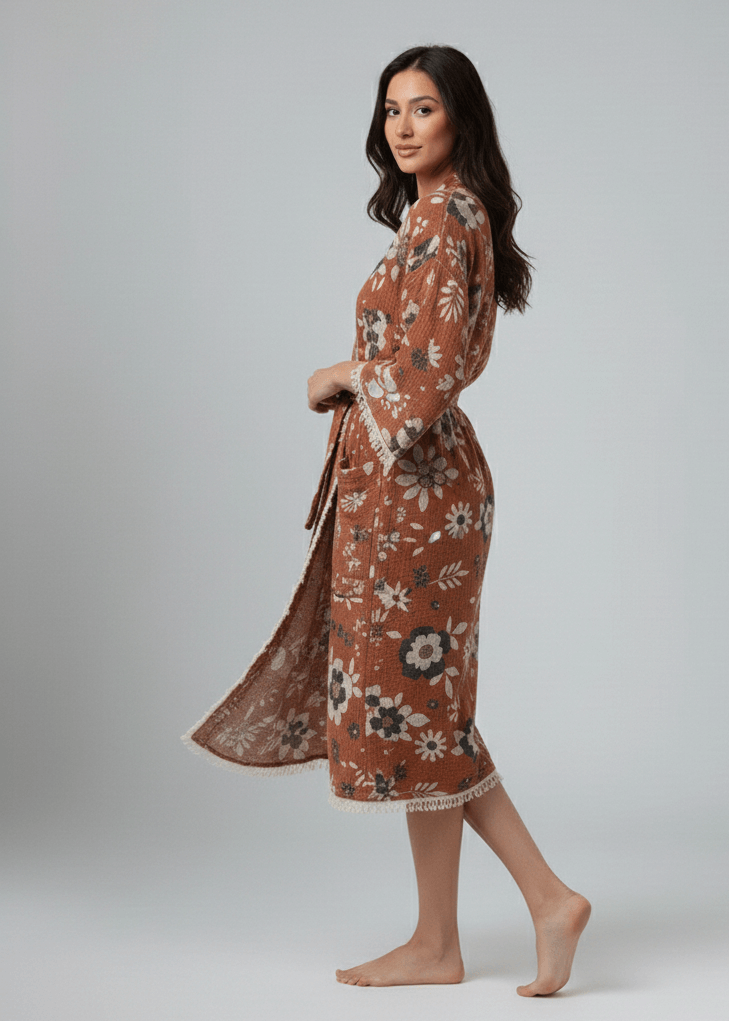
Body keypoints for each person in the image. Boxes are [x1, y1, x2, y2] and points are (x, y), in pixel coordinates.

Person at [183, 44, 590, 995]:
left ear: (460, 119)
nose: (402, 127)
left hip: (418, 495)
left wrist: (336, 373)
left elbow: (427, 371)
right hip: (408, 492)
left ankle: (546, 897)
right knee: (422, 712)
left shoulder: (446, 219)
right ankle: (439, 941)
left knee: (420, 712)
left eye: (423, 109)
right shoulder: (435, 214)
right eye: (391, 110)